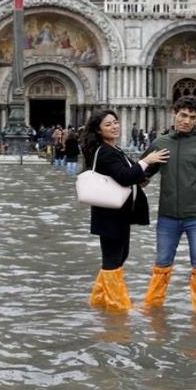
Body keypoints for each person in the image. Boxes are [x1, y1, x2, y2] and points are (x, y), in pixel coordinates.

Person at [141, 96, 196, 320]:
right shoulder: (161, 143)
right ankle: (152, 306)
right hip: (167, 216)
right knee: (161, 262)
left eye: (192, 117)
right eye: (183, 115)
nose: (186, 121)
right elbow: (142, 175)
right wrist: (138, 170)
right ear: (175, 113)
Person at [82, 110, 169, 312]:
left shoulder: (115, 149)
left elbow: (130, 175)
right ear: (98, 130)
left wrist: (144, 175)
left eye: (115, 122)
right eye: (108, 124)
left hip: (119, 213)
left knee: (119, 256)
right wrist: (147, 160)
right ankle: (117, 308)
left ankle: (99, 301)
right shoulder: (103, 151)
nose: (114, 126)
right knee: (113, 259)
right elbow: (123, 176)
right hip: (109, 214)